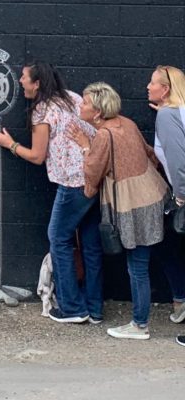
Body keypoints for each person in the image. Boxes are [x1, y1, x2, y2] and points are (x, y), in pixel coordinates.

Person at [0, 62, 102, 324]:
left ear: (37, 83)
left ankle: (72, 308)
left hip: (72, 184)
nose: (20, 81)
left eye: (24, 77)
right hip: (93, 178)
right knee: (90, 244)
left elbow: (38, 156)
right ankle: (95, 309)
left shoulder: (42, 110)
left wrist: (11, 144)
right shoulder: (73, 98)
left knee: (58, 239)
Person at [69, 82, 169, 340]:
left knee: (137, 267)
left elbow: (93, 170)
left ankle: (139, 325)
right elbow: (150, 154)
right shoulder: (126, 123)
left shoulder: (104, 135)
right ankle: (177, 301)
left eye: (86, 103)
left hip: (131, 205)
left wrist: (83, 144)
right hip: (152, 194)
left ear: (98, 112)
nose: (81, 105)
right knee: (155, 258)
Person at [146, 65, 185, 347]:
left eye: (153, 83)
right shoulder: (176, 113)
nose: (148, 86)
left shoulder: (169, 116)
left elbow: (178, 162)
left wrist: (181, 195)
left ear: (166, 89)